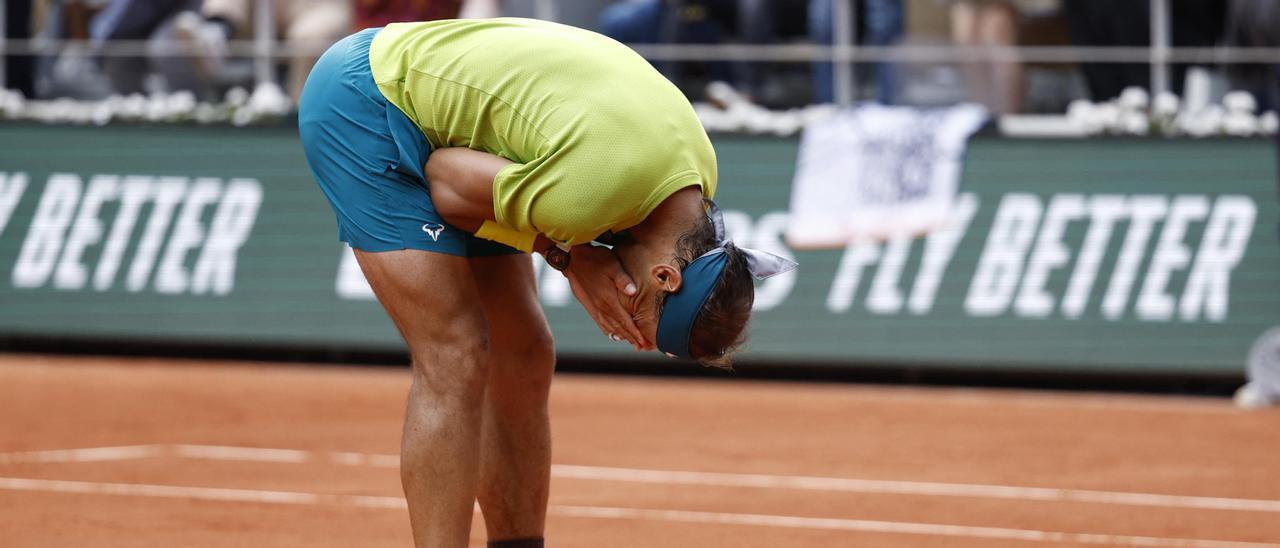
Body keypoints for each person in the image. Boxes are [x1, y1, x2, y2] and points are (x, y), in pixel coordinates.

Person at [297, 18, 794, 548]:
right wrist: (569, 256)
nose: (626, 329)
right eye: (637, 320)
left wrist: (568, 248)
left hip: (479, 129)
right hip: (367, 99)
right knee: (457, 354)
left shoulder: (695, 183)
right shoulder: (586, 198)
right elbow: (444, 180)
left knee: (526, 352)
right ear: (665, 275)